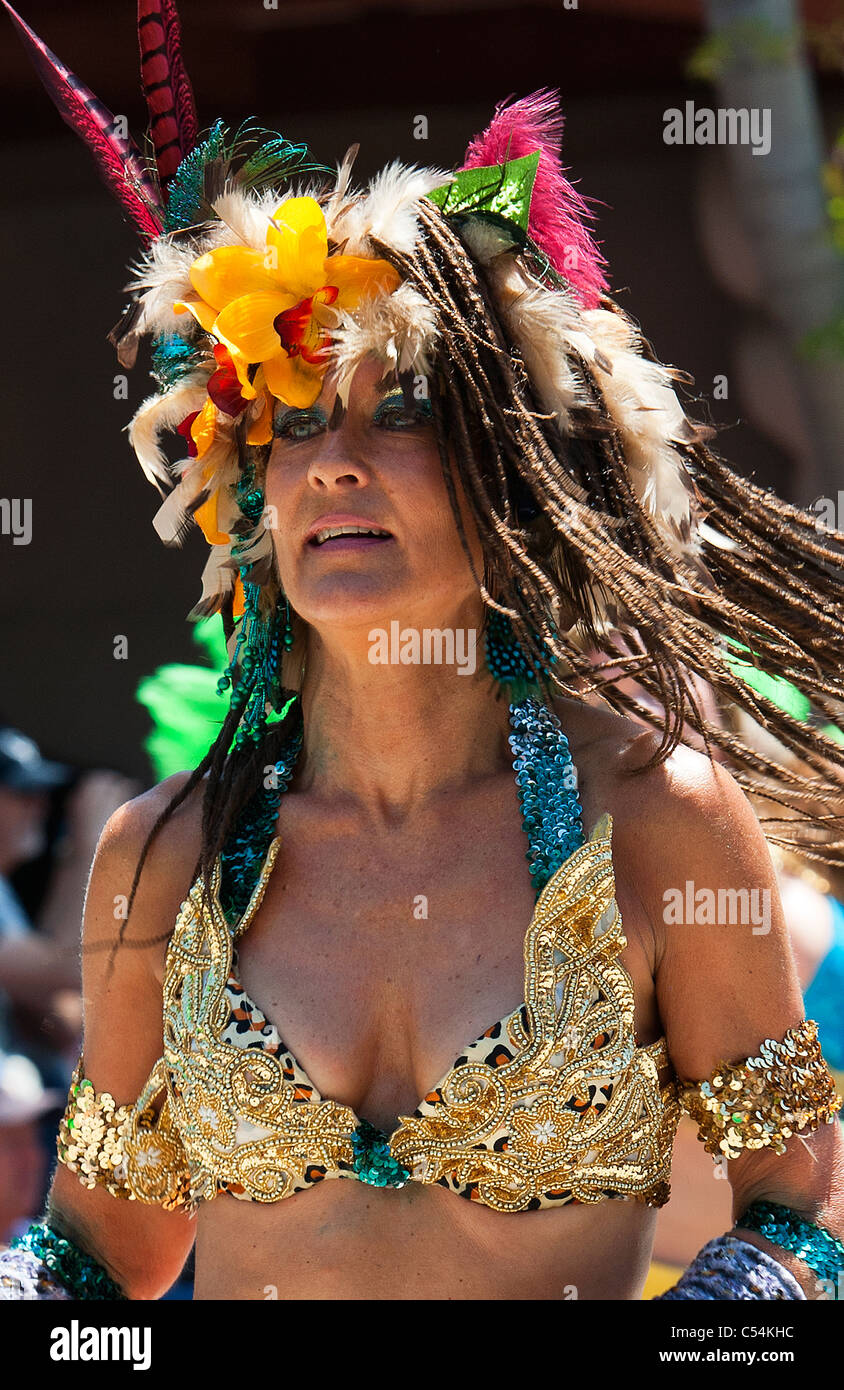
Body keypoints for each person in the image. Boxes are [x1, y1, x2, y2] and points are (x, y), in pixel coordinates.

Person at [2, 0, 843, 1303]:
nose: (333, 460)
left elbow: (804, 1200)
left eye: (398, 407)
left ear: (513, 473)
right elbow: (105, 1253)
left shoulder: (659, 821)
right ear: (250, 491)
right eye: (291, 420)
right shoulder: (162, 858)